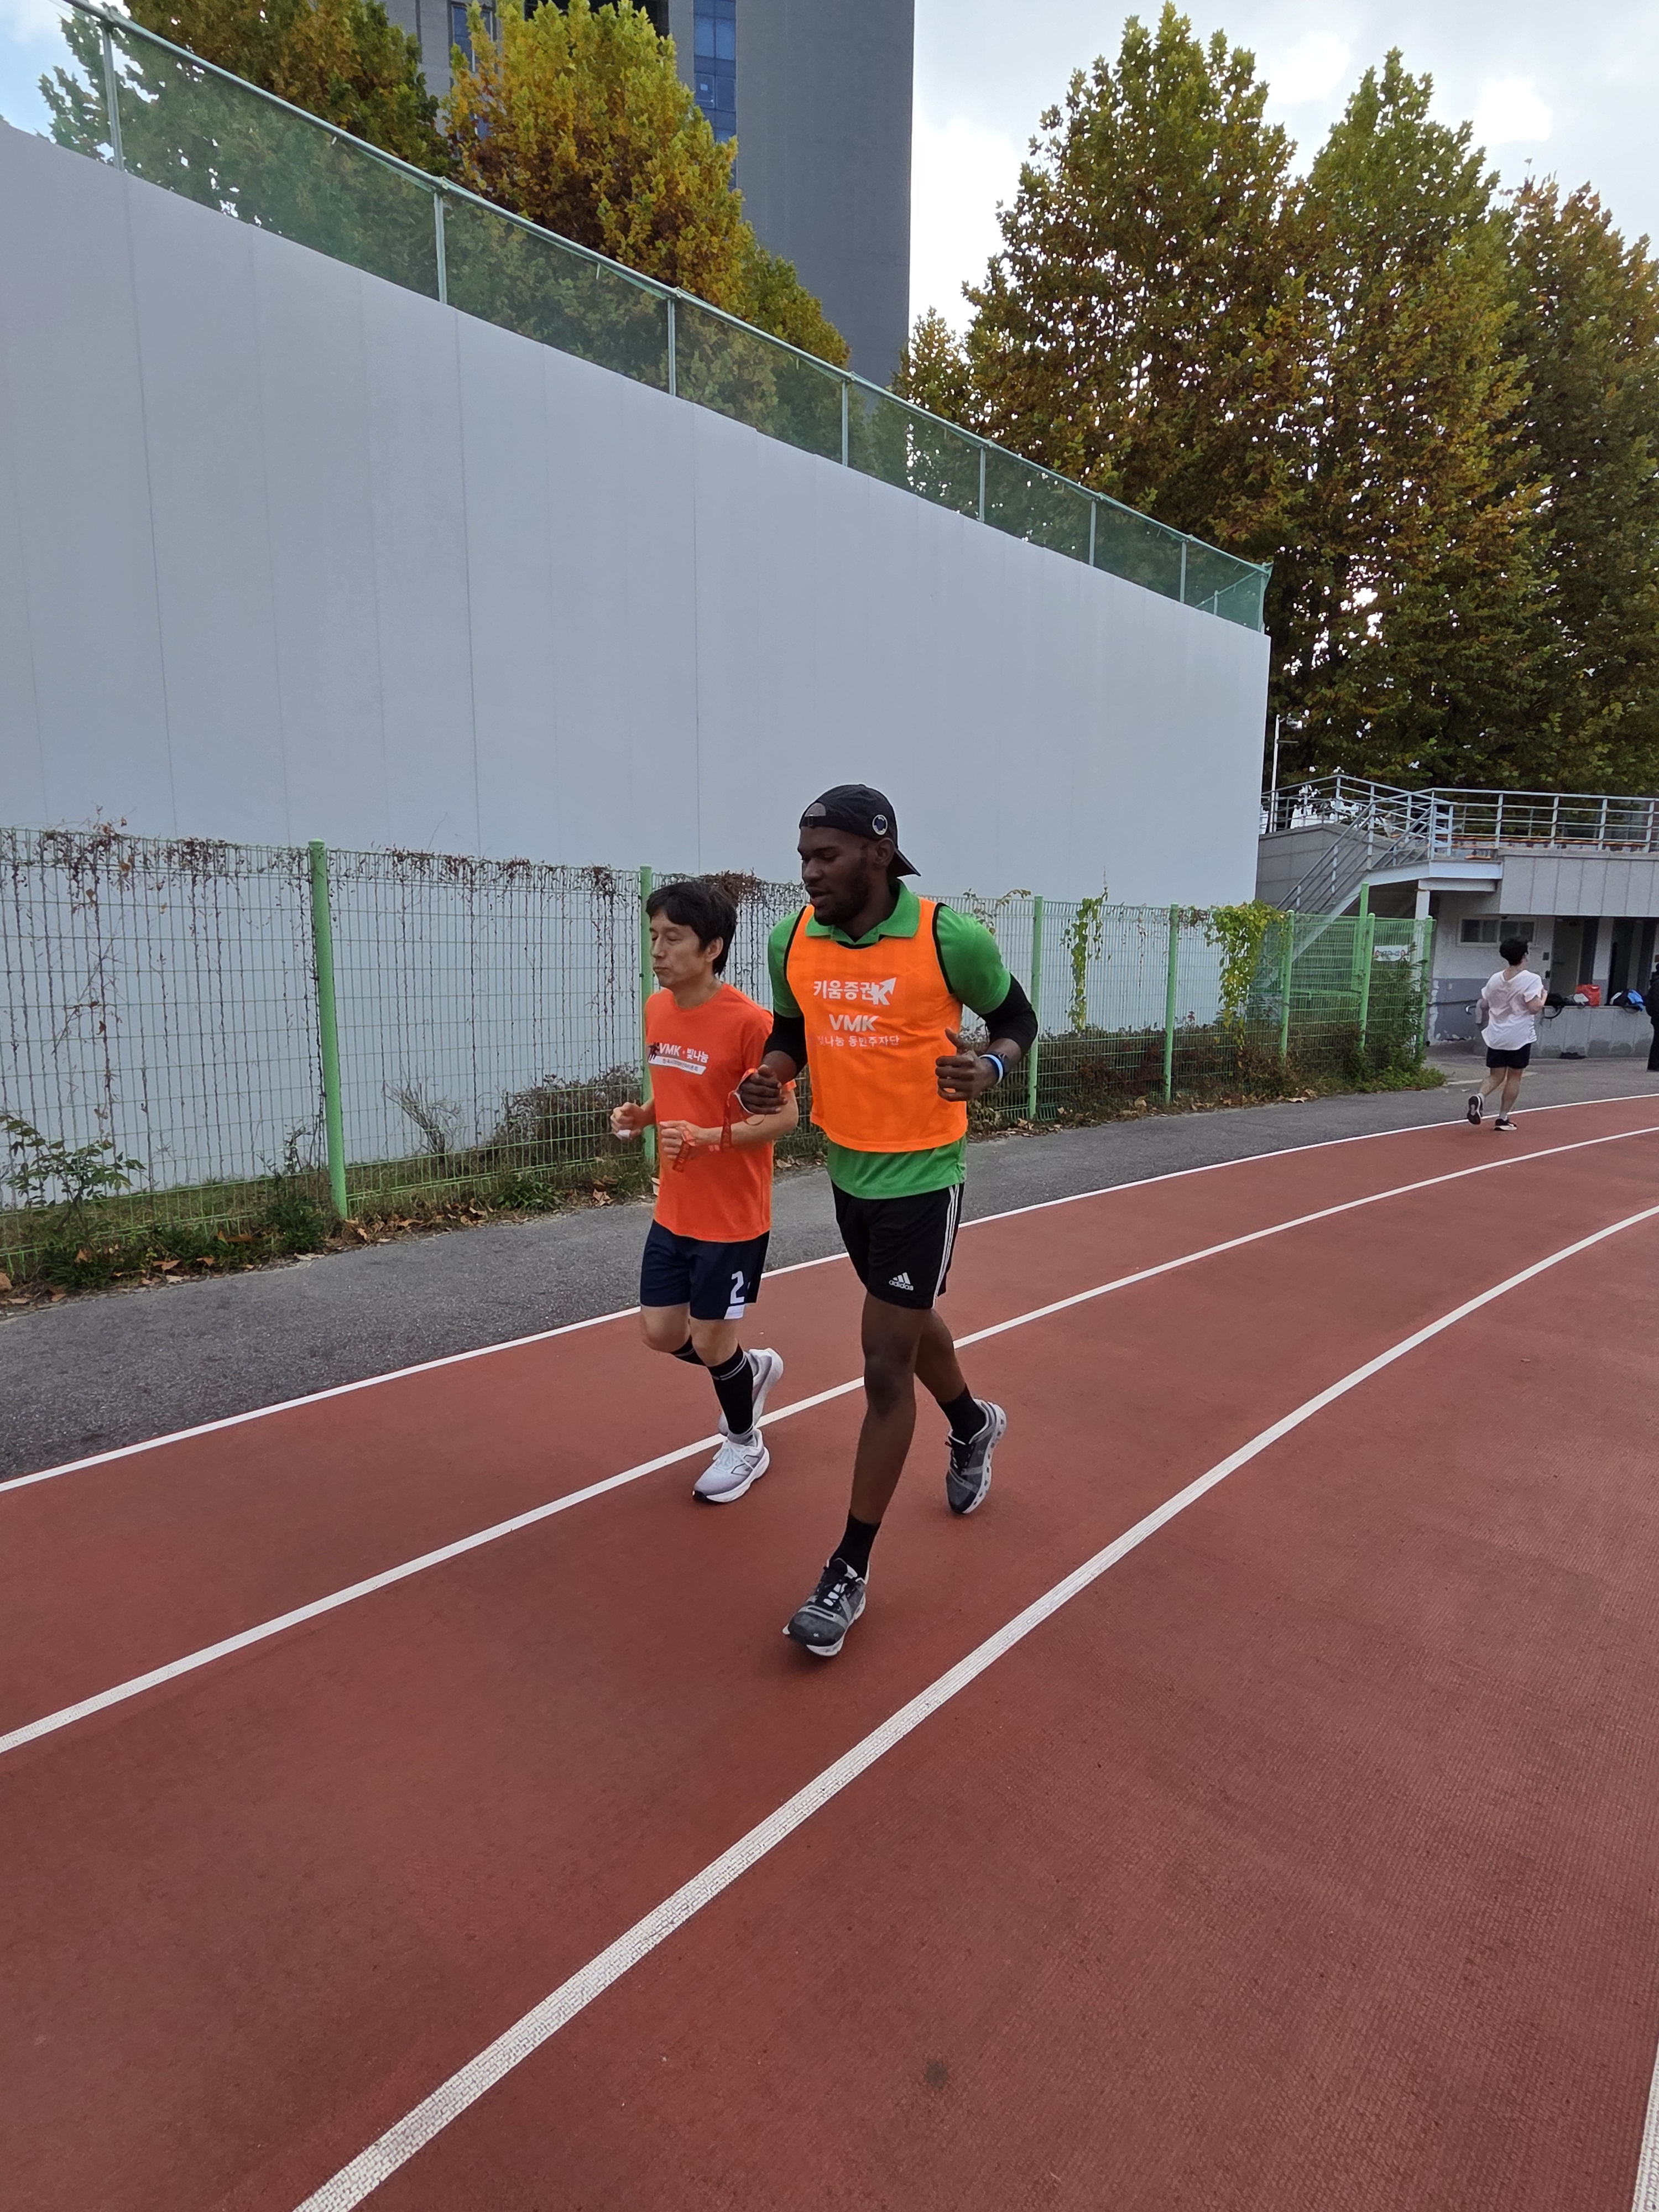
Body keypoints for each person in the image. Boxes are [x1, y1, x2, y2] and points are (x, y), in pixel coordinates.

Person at [738, 785, 1039, 1658]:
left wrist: (991, 1065)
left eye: (826, 856)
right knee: (904, 1319)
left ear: (878, 852)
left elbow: (1016, 1017)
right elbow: (792, 1029)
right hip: (847, 1167)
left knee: (882, 1362)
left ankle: (848, 1570)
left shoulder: (949, 938)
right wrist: (773, 1073)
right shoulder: (792, 939)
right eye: (803, 857)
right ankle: (973, 1422)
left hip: (925, 1171)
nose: (809, 873)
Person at [611, 879, 798, 1501]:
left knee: (712, 1339)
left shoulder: (751, 1023)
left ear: (713, 947)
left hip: (732, 1217)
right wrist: (644, 1115)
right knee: (661, 1333)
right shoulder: (656, 1009)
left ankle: (745, 1443)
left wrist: (710, 1137)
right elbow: (678, 1088)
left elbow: (785, 1117)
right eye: (653, 936)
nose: (658, 951)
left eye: (673, 938)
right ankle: (748, 1370)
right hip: (674, 1208)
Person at [1466, 935, 1547, 1131]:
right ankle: (1503, 1118)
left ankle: (1480, 1096)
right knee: (1515, 1076)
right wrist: (1544, 997)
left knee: (1496, 1075)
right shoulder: (1532, 979)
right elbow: (1534, 1008)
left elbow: (1484, 1004)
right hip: (1519, 1036)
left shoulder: (1495, 979)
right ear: (1525, 955)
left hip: (1496, 1034)